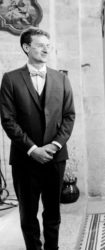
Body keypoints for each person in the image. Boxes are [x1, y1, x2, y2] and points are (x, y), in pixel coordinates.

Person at [0, 28, 75, 250]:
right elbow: (8, 120)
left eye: (48, 45)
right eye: (40, 44)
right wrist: (33, 149)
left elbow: (69, 116)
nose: (46, 49)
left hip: (55, 157)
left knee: (53, 212)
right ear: (26, 47)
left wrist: (54, 145)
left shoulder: (61, 78)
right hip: (25, 160)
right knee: (28, 215)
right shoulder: (10, 79)